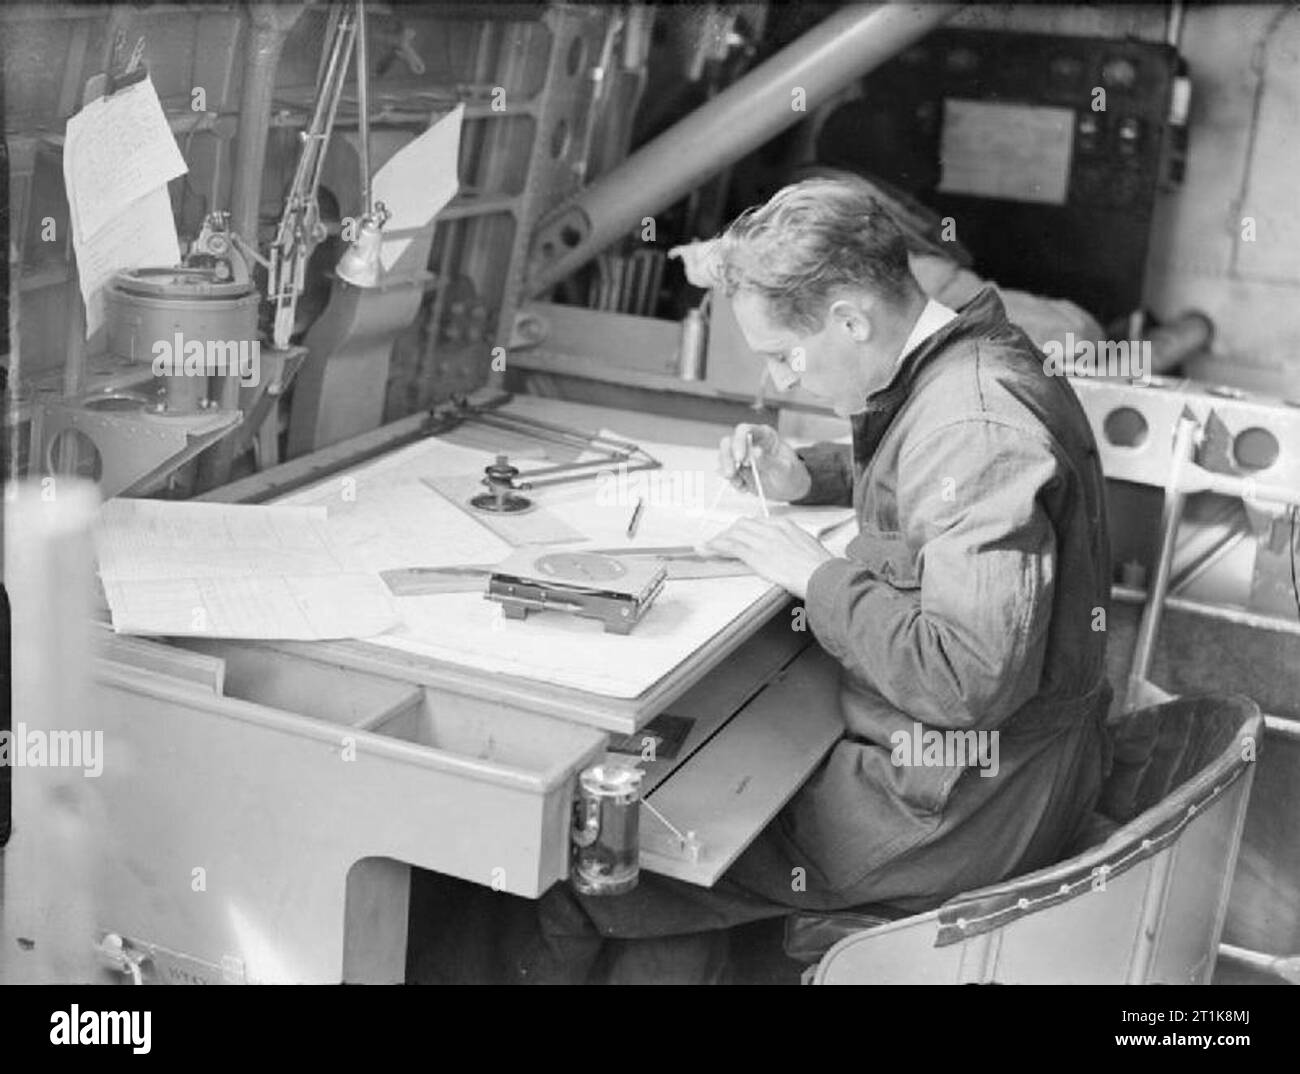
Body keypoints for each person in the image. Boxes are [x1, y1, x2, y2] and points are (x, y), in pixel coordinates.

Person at [511, 176, 1114, 984]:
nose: (783, 381)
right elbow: (926, 496)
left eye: (782, 354)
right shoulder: (963, 361)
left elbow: (968, 680)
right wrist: (810, 474)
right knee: (688, 807)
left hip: (954, 803)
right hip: (986, 775)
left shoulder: (973, 423)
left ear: (851, 319)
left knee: (589, 866)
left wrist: (814, 575)